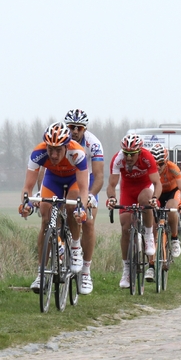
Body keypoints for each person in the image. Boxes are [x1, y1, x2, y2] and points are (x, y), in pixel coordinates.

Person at [19, 122, 90, 293]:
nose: (54, 154)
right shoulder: (38, 153)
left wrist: (82, 208)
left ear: (66, 146)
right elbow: (27, 188)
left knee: (73, 206)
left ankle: (74, 247)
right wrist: (25, 204)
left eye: (58, 150)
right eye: (50, 149)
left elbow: (83, 189)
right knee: (45, 217)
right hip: (53, 180)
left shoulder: (77, 153)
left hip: (73, 180)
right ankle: (41, 273)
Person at [106, 134, 162, 289]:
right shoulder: (117, 159)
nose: (128, 157)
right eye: (126, 153)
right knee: (125, 227)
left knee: (145, 199)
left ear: (139, 151)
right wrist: (111, 198)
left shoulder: (147, 157)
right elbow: (111, 184)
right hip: (128, 190)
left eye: (132, 154)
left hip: (145, 188)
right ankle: (126, 270)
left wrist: (154, 198)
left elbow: (157, 183)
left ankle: (149, 235)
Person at [63, 109, 104, 294]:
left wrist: (90, 196)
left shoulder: (93, 144)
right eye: (71, 127)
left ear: (84, 128)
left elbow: (99, 176)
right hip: (65, 180)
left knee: (88, 222)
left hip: (87, 183)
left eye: (79, 127)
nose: (75, 131)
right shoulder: (60, 140)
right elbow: (45, 169)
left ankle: (86, 271)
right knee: (56, 213)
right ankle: (65, 246)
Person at [145, 143, 181, 281]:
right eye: (155, 163)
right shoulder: (148, 169)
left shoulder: (173, 168)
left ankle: (175, 239)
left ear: (166, 161)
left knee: (171, 210)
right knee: (151, 227)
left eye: (161, 163)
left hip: (171, 192)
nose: (157, 167)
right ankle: (151, 266)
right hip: (156, 195)